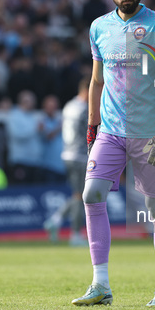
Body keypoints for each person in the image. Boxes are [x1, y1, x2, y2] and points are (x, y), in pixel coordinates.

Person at [71, 0, 155, 307]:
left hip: (151, 133)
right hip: (111, 131)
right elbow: (96, 81)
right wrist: (92, 126)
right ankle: (100, 284)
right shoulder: (98, 28)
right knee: (91, 194)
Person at [44, 78, 90, 246]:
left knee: (77, 194)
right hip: (79, 155)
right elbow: (91, 132)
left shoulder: (69, 106)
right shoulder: (85, 109)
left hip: (68, 154)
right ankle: (75, 234)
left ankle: (55, 221)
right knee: (80, 196)